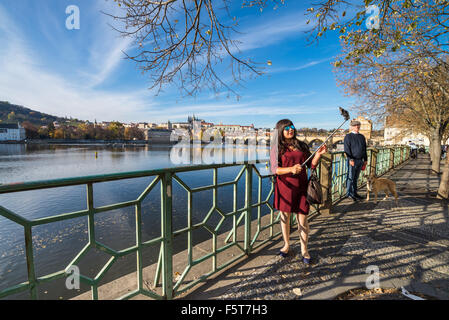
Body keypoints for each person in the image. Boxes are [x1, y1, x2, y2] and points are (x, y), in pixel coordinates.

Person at [270, 119, 327, 264]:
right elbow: (274, 169)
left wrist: (318, 155)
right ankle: (286, 245)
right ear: (281, 131)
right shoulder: (275, 148)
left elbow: (310, 165)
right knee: (285, 217)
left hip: (301, 186)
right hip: (285, 187)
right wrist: (290, 169)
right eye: (287, 127)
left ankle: (304, 249)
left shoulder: (301, 145)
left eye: (292, 127)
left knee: (302, 219)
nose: (291, 129)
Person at [344, 120, 367, 202]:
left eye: (358, 125)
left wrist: (365, 159)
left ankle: (355, 192)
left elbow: (364, 149)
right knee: (350, 177)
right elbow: (347, 149)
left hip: (360, 160)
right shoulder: (348, 136)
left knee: (356, 178)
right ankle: (349, 194)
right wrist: (350, 159)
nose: (357, 127)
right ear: (352, 127)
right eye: (355, 125)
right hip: (352, 160)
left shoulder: (362, 137)